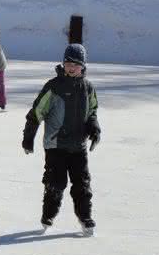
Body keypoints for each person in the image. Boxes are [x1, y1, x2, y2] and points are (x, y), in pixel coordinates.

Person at [22, 43, 101, 237]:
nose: (71, 67)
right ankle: (48, 215)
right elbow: (36, 112)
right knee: (55, 183)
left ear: (83, 66)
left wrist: (94, 127)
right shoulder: (54, 87)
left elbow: (92, 111)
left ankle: (85, 217)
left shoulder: (88, 88)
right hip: (56, 145)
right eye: (67, 63)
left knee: (82, 184)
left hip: (78, 145)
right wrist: (28, 136)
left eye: (75, 64)